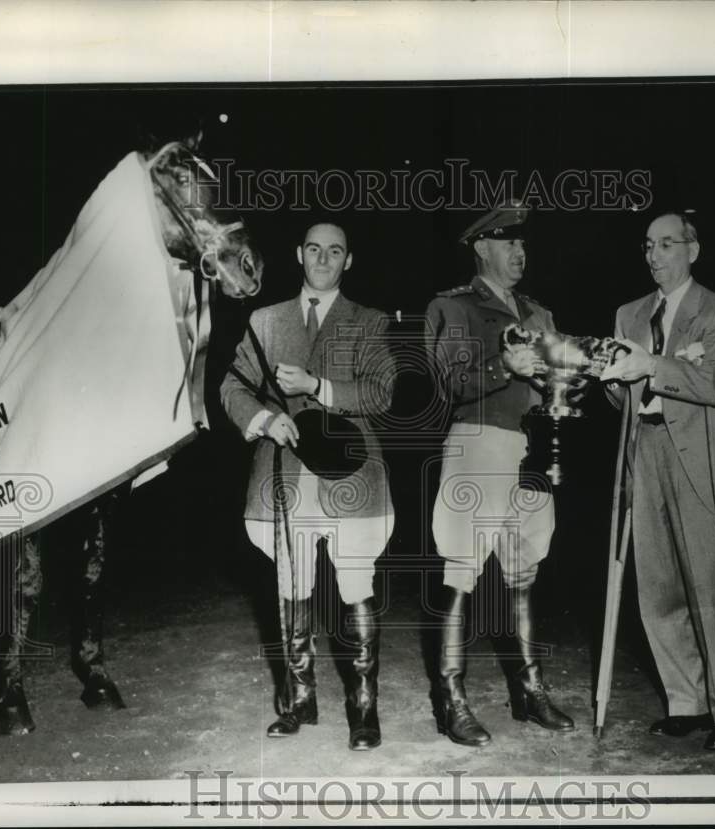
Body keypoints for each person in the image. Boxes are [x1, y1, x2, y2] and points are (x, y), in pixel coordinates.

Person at [220, 221, 394, 751]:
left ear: (348, 260)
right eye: (314, 249)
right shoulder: (263, 321)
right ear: (299, 254)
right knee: (291, 587)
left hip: (351, 478)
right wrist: (265, 420)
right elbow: (232, 386)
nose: (323, 258)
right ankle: (300, 700)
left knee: (355, 589)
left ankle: (363, 709)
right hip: (286, 479)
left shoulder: (369, 322)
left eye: (335, 250)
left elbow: (383, 392)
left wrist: (318, 386)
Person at [424, 201, 575, 748]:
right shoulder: (453, 307)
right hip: (478, 444)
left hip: (531, 449)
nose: (521, 252)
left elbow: (558, 382)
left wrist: (572, 376)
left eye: (524, 244)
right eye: (509, 243)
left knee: (524, 570)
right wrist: (502, 365)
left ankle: (529, 690)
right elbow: (446, 386)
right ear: (482, 247)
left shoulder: (540, 314)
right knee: (462, 572)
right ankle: (451, 698)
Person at [600, 210, 715, 751]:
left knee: (710, 586)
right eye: (647, 246)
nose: (654, 256)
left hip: (700, 458)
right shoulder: (629, 313)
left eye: (666, 244)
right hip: (646, 452)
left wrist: (652, 366)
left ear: (693, 249)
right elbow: (622, 398)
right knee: (658, 586)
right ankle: (684, 702)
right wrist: (610, 379)